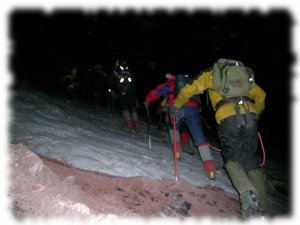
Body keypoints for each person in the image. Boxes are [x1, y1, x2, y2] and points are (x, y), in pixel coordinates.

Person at [172, 58, 269, 219]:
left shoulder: (212, 74)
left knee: (232, 160)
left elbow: (188, 90)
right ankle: (264, 209)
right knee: (251, 160)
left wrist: (176, 105)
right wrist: (256, 113)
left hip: (227, 117)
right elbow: (261, 95)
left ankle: (248, 195)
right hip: (250, 115)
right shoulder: (242, 76)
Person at [144, 73, 216, 180]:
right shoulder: (191, 82)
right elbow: (197, 97)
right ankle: (210, 168)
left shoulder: (172, 83)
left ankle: (177, 151)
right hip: (192, 108)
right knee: (199, 136)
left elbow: (157, 91)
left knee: (173, 127)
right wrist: (198, 107)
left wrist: (148, 99)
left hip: (177, 108)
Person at [108, 60, 140, 130]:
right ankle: (136, 124)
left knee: (124, 106)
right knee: (132, 106)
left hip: (122, 90)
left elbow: (111, 81)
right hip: (131, 91)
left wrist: (111, 90)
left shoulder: (115, 69)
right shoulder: (128, 69)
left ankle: (129, 124)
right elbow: (134, 82)